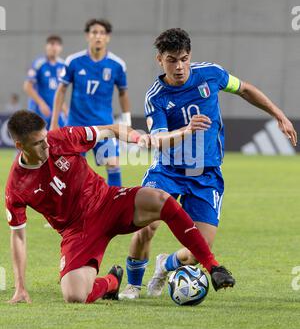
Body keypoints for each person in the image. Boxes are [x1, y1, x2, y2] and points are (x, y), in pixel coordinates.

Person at [119, 27, 297, 300]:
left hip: (206, 175)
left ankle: (165, 265)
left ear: (190, 56)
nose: (179, 67)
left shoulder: (211, 74)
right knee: (146, 226)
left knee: (195, 252)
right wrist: (187, 131)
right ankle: (133, 285)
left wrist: (278, 114)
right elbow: (158, 141)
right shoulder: (157, 96)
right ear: (160, 60)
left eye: (184, 58)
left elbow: (245, 89)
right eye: (171, 60)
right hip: (168, 170)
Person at [5, 110, 235, 304]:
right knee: (74, 295)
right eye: (38, 143)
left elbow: (113, 129)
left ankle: (213, 266)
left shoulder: (61, 138)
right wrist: (20, 286)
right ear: (19, 146)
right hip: (78, 232)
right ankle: (112, 282)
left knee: (161, 199)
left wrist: (137, 138)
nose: (47, 145)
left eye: (45, 138)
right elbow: (18, 237)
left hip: (108, 201)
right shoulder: (16, 186)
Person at [50, 18, 131, 187]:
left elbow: (123, 92)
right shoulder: (73, 61)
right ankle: (72, 209)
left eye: (102, 33)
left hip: (104, 126)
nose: (98, 36)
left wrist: (127, 120)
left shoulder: (117, 64)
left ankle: (116, 205)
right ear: (88, 36)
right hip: (76, 127)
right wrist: (54, 122)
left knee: (113, 164)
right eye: (94, 32)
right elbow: (61, 90)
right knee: (72, 171)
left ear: (108, 37)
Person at [23, 35, 67, 129]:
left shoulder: (63, 65)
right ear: (46, 46)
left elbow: (61, 90)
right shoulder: (39, 63)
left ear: (61, 48)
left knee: (59, 137)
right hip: (39, 109)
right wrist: (41, 104)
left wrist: (65, 109)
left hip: (55, 109)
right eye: (51, 44)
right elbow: (27, 86)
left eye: (57, 45)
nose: (54, 47)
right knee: (37, 138)